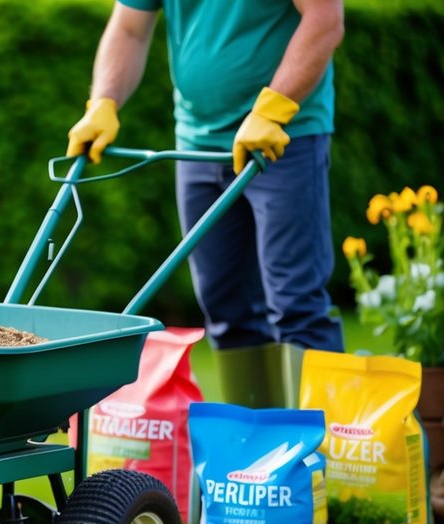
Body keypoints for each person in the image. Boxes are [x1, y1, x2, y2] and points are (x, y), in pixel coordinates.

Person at [67, 0, 346, 406]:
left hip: (285, 139)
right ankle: (255, 451)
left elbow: (325, 20)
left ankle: (323, 454)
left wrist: (274, 108)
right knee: (225, 306)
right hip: (198, 146)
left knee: (296, 303)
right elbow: (129, 28)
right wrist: (103, 103)